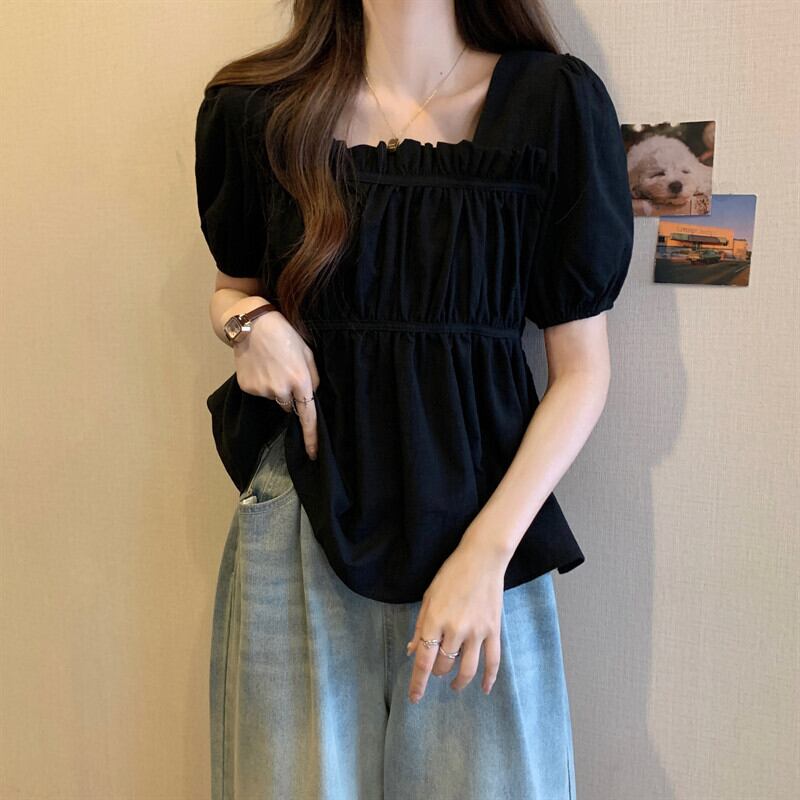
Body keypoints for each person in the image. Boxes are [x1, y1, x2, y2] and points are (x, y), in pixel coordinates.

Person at [194, 1, 633, 798]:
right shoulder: (259, 109)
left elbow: (582, 372)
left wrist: (486, 556)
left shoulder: (553, 105)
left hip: (485, 532)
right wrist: (248, 325)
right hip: (301, 517)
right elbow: (233, 291)